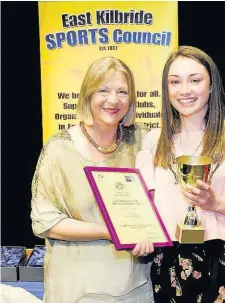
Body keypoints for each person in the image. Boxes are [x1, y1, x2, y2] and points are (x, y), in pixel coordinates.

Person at [135, 46, 225, 303]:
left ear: (211, 85)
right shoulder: (152, 142)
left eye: (195, 80)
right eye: (175, 82)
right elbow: (145, 207)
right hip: (164, 264)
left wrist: (216, 204)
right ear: (166, 89)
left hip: (220, 265)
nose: (185, 90)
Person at [30, 57, 154, 303]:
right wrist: (111, 232)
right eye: (103, 90)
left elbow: (183, 157)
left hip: (135, 289)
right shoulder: (59, 150)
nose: (113, 100)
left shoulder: (143, 142)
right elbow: (45, 222)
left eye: (122, 91)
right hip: (77, 291)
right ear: (87, 95)